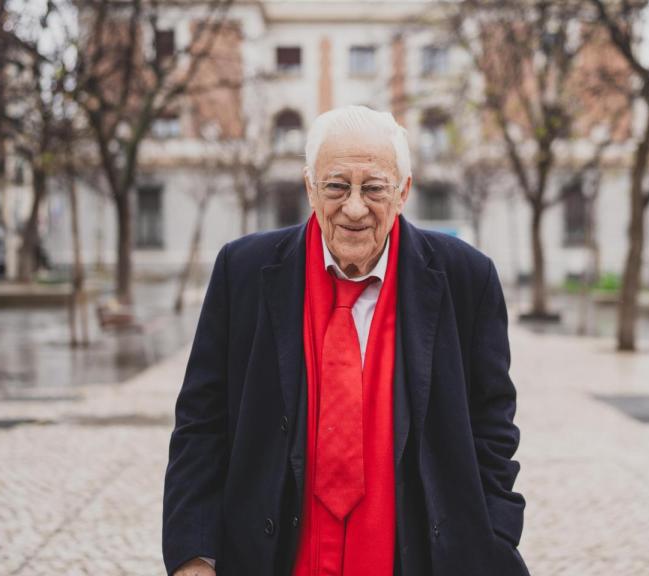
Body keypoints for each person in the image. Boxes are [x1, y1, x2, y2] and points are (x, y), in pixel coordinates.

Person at [163, 105, 528, 576]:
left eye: (374, 188)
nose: (354, 207)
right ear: (311, 188)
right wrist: (194, 555)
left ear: (404, 192)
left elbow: (492, 429)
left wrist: (495, 538)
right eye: (337, 186)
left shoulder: (466, 278)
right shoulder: (244, 272)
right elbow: (200, 425)